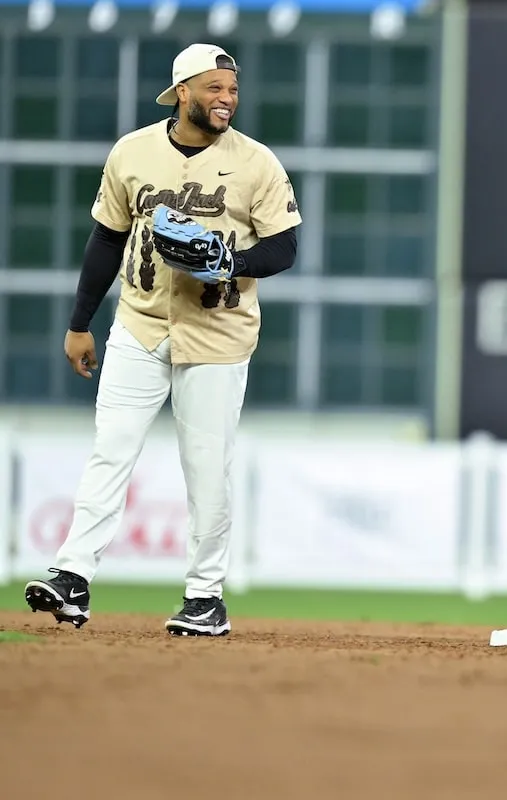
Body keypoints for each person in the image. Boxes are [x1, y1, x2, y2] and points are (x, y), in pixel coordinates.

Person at [23, 43, 302, 637]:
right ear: (183, 92)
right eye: (214, 88)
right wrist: (79, 323)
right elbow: (105, 241)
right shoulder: (132, 151)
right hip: (140, 323)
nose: (226, 98)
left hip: (218, 333)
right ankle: (72, 575)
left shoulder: (257, 162)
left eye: (232, 88)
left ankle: (205, 596)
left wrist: (229, 260)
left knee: (205, 469)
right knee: (110, 450)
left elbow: (284, 248)